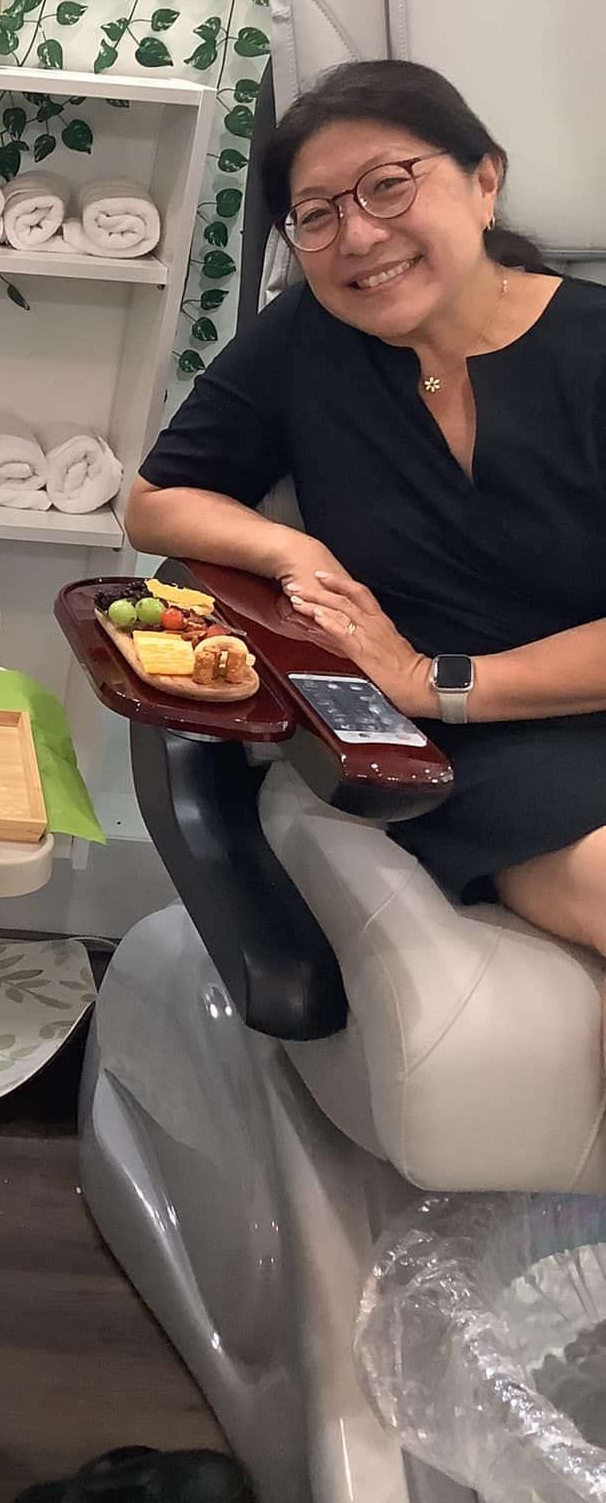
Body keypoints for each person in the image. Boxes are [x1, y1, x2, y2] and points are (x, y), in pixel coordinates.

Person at [129, 59, 606, 982]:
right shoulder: (307, 341)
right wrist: (291, 546)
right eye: (315, 215)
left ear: (485, 180)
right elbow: (156, 501)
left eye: (388, 186)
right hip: (484, 757)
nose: (357, 235)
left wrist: (439, 680)